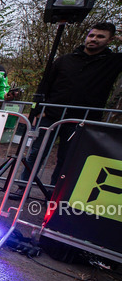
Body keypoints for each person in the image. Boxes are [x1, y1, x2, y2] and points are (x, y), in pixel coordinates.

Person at [28, 22, 122, 182]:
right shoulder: (65, 60)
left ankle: (55, 191)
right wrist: (38, 110)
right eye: (91, 35)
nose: (94, 39)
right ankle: (24, 185)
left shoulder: (114, 62)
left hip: (83, 120)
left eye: (100, 36)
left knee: (67, 159)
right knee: (36, 152)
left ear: (110, 40)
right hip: (51, 116)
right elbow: (45, 85)